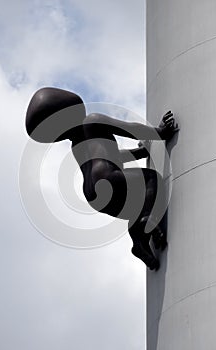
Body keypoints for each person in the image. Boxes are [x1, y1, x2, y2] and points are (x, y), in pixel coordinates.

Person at [26, 87, 178, 270]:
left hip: (93, 194)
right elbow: (130, 129)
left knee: (135, 208)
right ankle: (148, 221)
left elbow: (115, 156)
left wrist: (142, 152)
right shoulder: (93, 119)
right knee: (151, 180)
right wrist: (159, 132)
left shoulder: (76, 144)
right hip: (108, 178)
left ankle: (140, 243)